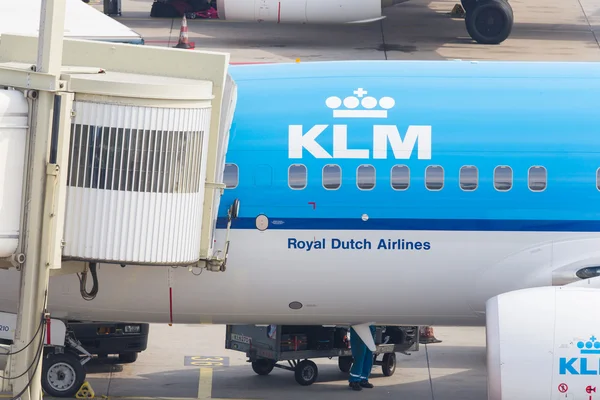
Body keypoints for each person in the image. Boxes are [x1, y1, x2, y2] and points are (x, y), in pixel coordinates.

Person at [348, 325, 376, 391]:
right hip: (359, 326)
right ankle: (354, 380)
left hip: (370, 326)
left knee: (368, 355)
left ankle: (363, 379)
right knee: (360, 354)